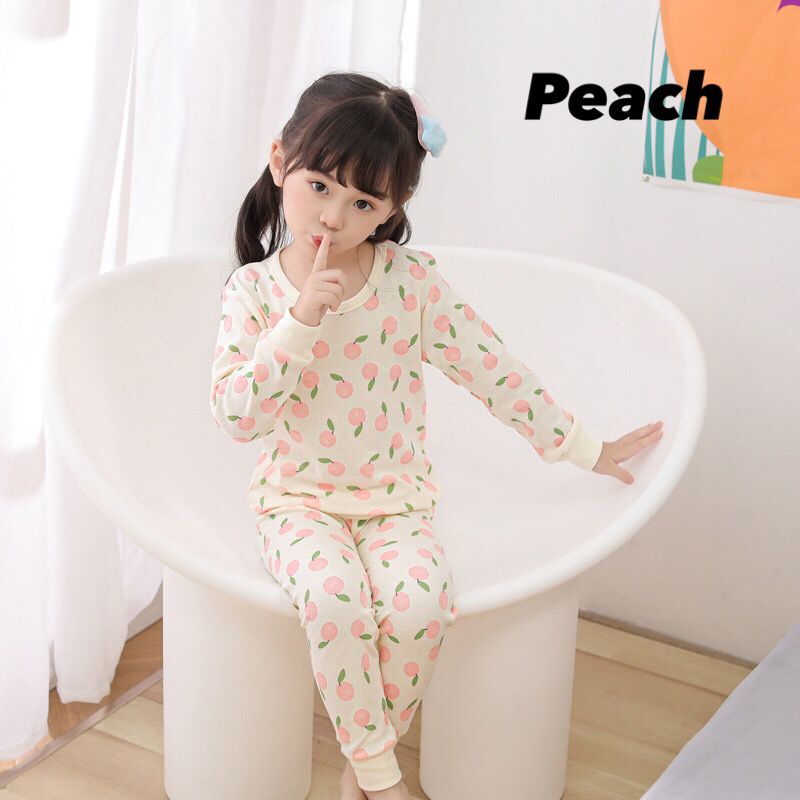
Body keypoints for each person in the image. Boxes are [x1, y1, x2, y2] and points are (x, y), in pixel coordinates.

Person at [209, 71, 664, 800]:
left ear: (395, 207)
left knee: (420, 609)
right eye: (319, 186)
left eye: (364, 203)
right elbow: (238, 416)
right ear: (279, 161)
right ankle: (382, 780)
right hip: (297, 502)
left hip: (396, 501)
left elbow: (493, 370)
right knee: (336, 601)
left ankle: (363, 769)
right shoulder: (254, 292)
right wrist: (299, 323)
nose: (334, 217)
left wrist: (586, 447)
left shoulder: (410, 285)